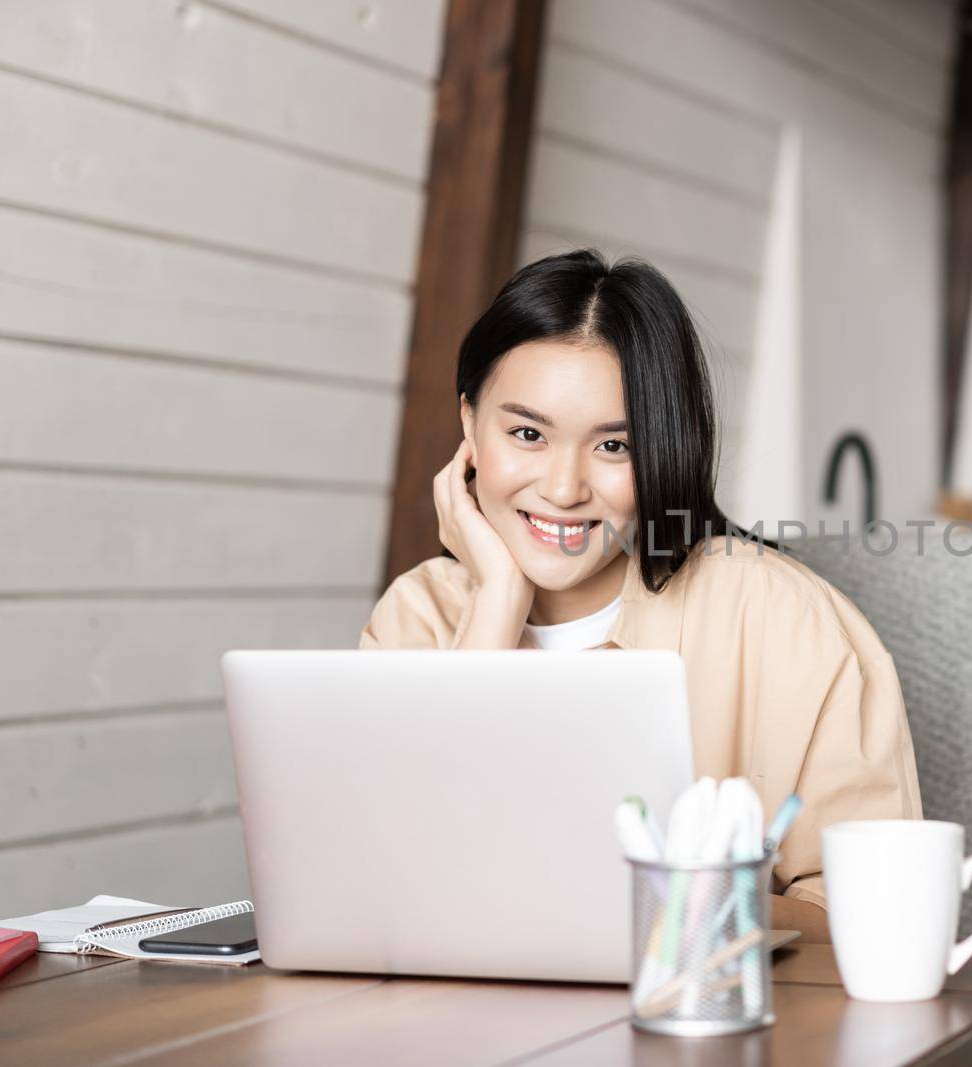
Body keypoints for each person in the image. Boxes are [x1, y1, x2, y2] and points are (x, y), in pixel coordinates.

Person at [359, 250, 922, 940]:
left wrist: (669, 899)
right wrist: (497, 602)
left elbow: (875, 914)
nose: (564, 488)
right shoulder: (418, 616)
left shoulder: (784, 621)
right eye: (527, 433)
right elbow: (390, 887)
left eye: (614, 446)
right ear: (470, 427)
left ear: (663, 449)